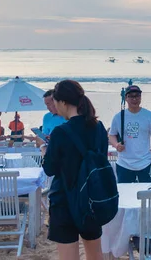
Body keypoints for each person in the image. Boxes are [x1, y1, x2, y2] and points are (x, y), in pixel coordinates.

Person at [41, 80, 108, 260]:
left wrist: (45, 151)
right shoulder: (99, 128)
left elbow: (49, 168)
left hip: (65, 200)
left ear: (63, 102)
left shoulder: (60, 132)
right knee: (95, 255)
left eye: (55, 102)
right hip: (92, 199)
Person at [109, 85, 151, 183]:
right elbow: (111, 135)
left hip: (145, 163)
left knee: (147, 194)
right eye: (131, 96)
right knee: (125, 195)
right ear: (126, 98)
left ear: (140, 97)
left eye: (137, 96)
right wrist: (116, 145)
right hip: (124, 163)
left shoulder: (149, 116)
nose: (134, 99)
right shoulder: (119, 116)